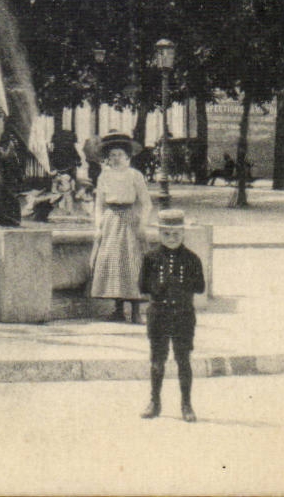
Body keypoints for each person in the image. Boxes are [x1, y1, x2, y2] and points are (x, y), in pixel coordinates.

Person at [139, 209, 207, 422]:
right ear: (159, 234)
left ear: (183, 233)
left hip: (183, 315)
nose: (171, 238)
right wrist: (158, 286)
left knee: (183, 359)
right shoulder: (150, 258)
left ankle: (186, 405)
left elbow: (200, 287)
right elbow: (142, 286)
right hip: (158, 315)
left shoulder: (192, 259)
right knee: (157, 359)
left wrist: (180, 284)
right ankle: (154, 402)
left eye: (176, 234)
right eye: (166, 234)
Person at [91, 134, 152, 324]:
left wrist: (142, 224)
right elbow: (99, 204)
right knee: (114, 263)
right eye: (112, 155)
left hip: (129, 219)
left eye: (119, 154)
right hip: (111, 220)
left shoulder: (135, 175)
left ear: (127, 157)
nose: (116, 158)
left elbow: (146, 203)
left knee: (132, 262)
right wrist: (98, 226)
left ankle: (136, 311)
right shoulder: (104, 176)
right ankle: (118, 310)